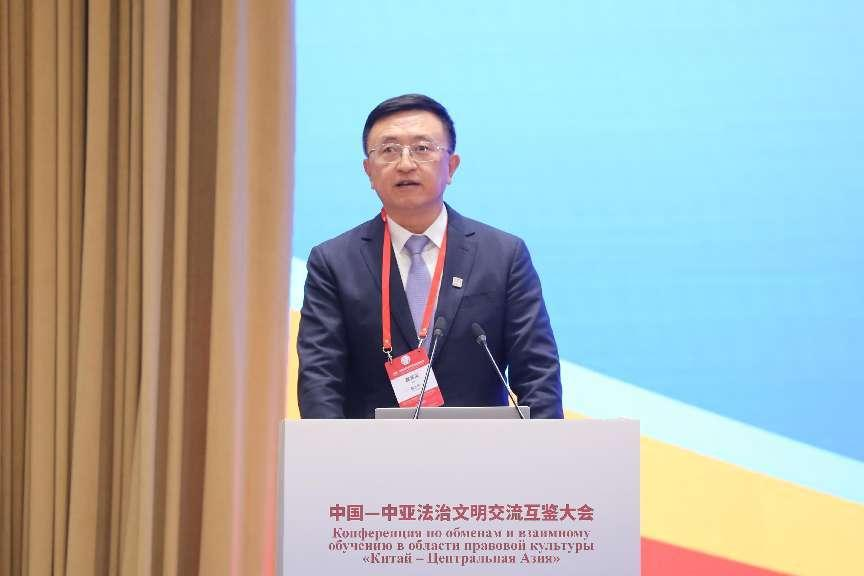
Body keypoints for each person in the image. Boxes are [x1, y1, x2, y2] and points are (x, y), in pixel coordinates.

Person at [298, 94, 563, 418]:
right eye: (389, 150)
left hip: (482, 447)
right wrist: (330, 447)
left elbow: (538, 373)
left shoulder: (503, 256)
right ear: (368, 171)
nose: (405, 164)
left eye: (422, 148)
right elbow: (320, 380)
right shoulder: (334, 262)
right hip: (371, 448)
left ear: (451, 166)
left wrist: (543, 446)